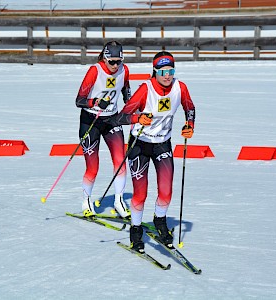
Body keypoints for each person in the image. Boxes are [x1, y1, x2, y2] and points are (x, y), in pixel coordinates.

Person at [106, 51, 195, 252]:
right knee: (140, 193)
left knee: (166, 191)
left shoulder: (180, 88)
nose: (167, 75)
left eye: (171, 70)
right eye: (163, 71)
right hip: (140, 144)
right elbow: (119, 118)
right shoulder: (145, 89)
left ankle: (160, 221)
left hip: (163, 143)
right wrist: (138, 119)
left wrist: (189, 125)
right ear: (154, 71)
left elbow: (190, 108)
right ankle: (135, 230)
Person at [75, 41, 131, 218]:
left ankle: (119, 201)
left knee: (121, 161)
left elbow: (126, 93)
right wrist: (96, 102)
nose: (115, 66)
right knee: (93, 167)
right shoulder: (95, 71)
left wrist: (132, 108)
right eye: (111, 62)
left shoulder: (124, 70)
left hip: (112, 119)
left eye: (118, 61)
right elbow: (79, 100)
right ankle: (86, 201)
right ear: (104, 58)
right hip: (91, 120)